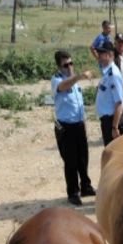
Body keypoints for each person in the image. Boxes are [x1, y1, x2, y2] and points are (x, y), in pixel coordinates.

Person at [51, 50, 95, 206]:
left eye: (71, 63)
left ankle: (86, 186)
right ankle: (73, 192)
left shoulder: (74, 82)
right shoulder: (57, 80)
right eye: (66, 64)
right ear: (59, 66)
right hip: (66, 127)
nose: (69, 66)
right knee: (71, 161)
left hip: (78, 124)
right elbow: (64, 86)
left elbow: (78, 103)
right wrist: (79, 76)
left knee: (83, 157)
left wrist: (83, 121)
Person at [94, 41, 123, 146]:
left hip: (112, 121)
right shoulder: (107, 72)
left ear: (110, 54)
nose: (99, 56)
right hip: (108, 121)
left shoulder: (113, 74)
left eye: (101, 53)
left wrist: (114, 127)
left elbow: (118, 102)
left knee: (115, 157)